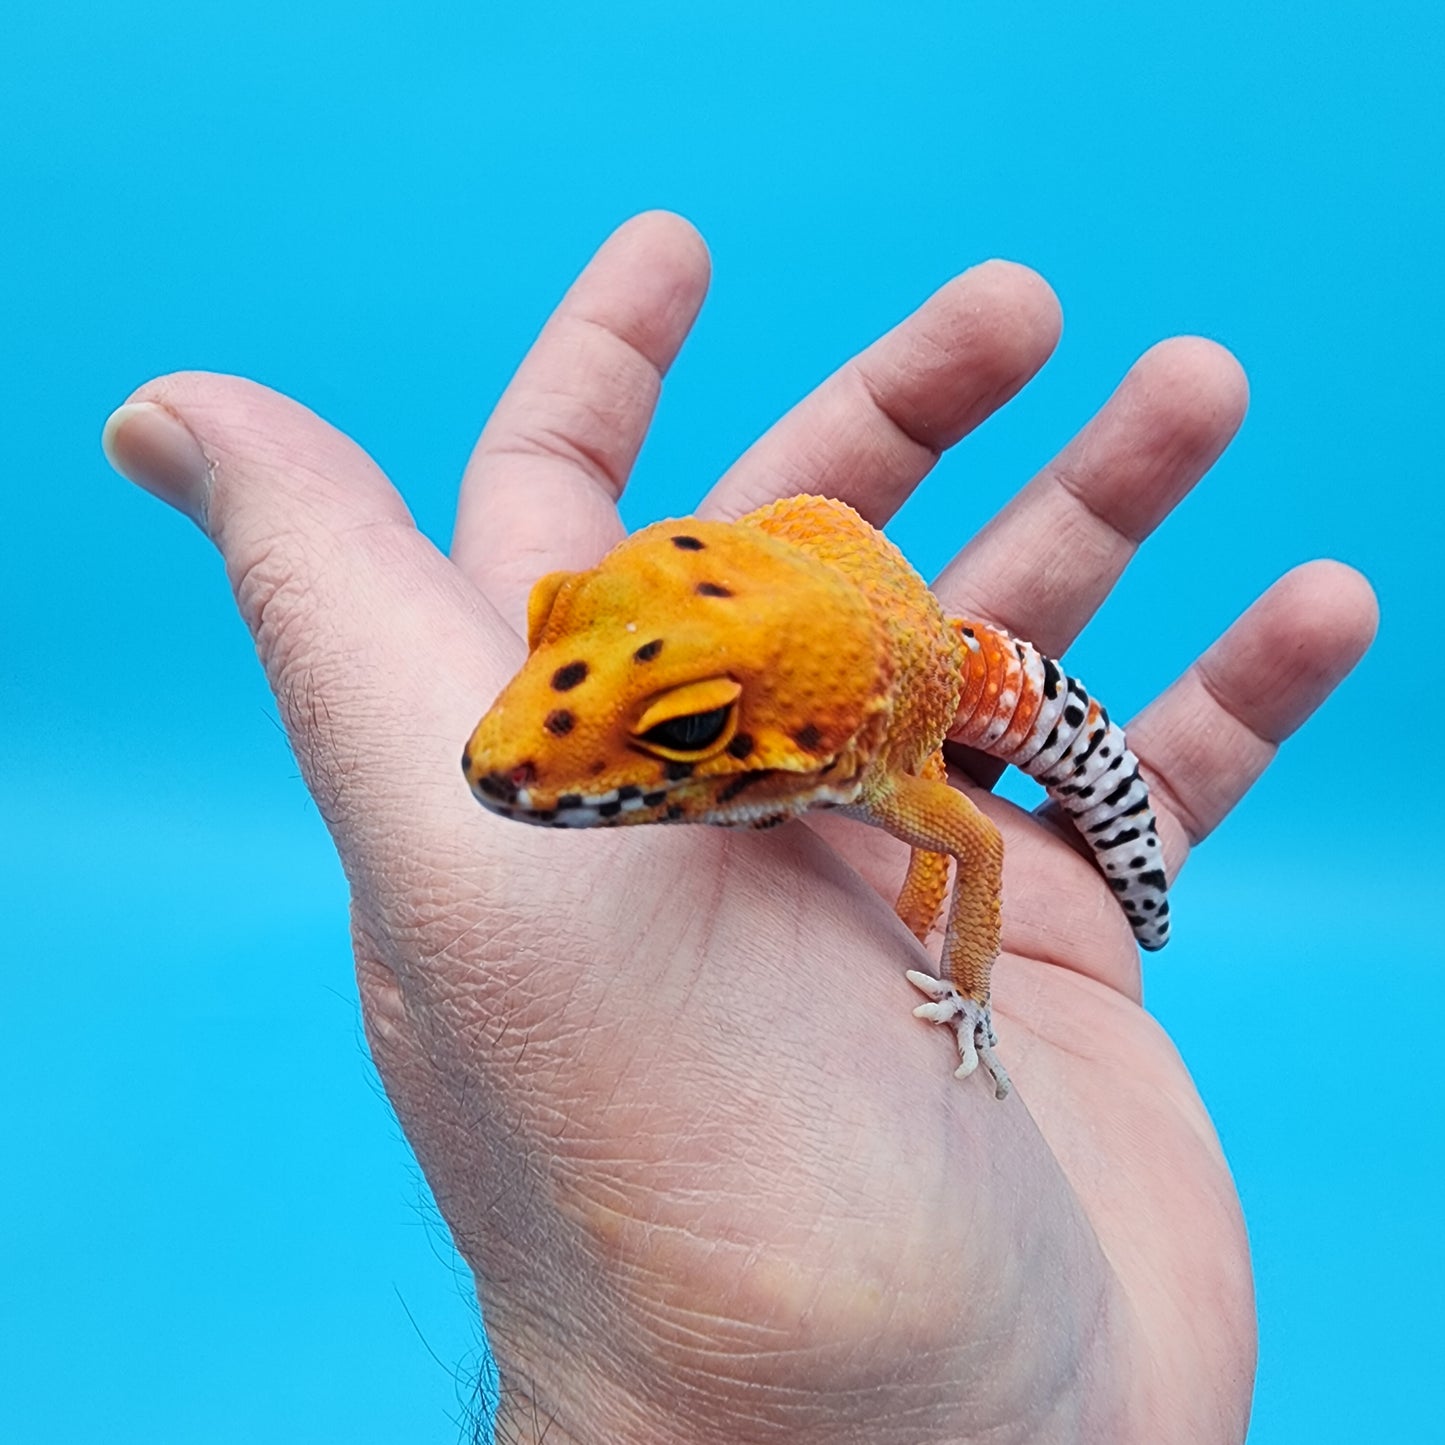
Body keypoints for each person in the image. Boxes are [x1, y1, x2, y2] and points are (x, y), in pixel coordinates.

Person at [102, 212, 1375, 1443]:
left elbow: (974, 845)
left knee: (1098, 842)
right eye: (556, 628)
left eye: (684, 733)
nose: (517, 748)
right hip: (814, 605)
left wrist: (956, 979)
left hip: (929, 668)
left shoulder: (884, 778)